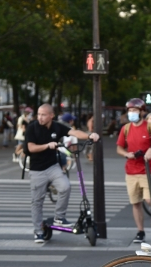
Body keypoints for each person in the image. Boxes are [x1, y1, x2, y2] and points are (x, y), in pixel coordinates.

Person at [25, 104, 99, 243]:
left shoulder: (57, 127)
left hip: (53, 166)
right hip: (37, 170)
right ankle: (38, 232)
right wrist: (48, 145)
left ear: (51, 116)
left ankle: (59, 217)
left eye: (43, 114)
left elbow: (74, 133)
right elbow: (31, 148)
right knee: (37, 201)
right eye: (39, 114)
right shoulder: (32, 128)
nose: (40, 117)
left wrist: (90, 135)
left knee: (65, 187)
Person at [116, 98, 151, 243]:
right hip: (131, 170)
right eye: (130, 111)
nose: (132, 113)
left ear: (142, 112)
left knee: (149, 200)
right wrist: (126, 154)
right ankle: (140, 231)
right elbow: (119, 147)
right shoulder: (125, 129)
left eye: (135, 110)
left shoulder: (150, 127)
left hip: (147, 170)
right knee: (136, 202)